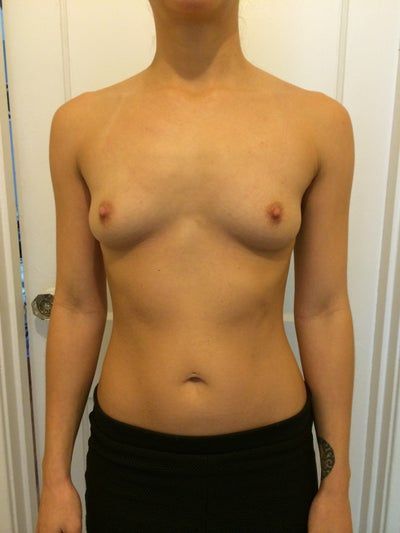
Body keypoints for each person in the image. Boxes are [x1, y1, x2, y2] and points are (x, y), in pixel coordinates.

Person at [36, 1, 355, 531]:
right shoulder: (79, 126)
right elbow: (76, 305)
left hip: (270, 463)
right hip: (131, 464)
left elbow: (324, 309)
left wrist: (336, 488)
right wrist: (54, 480)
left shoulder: (320, 124)